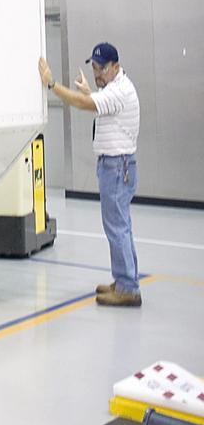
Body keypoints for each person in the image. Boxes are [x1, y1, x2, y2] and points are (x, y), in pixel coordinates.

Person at [38, 42, 141, 307]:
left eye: (101, 69)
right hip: (116, 166)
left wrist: (52, 84)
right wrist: (89, 91)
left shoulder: (119, 92)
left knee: (117, 228)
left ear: (115, 67)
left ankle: (128, 287)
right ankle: (124, 280)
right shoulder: (115, 88)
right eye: (94, 68)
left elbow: (85, 104)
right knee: (121, 227)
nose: (97, 74)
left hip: (117, 167)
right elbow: (94, 100)